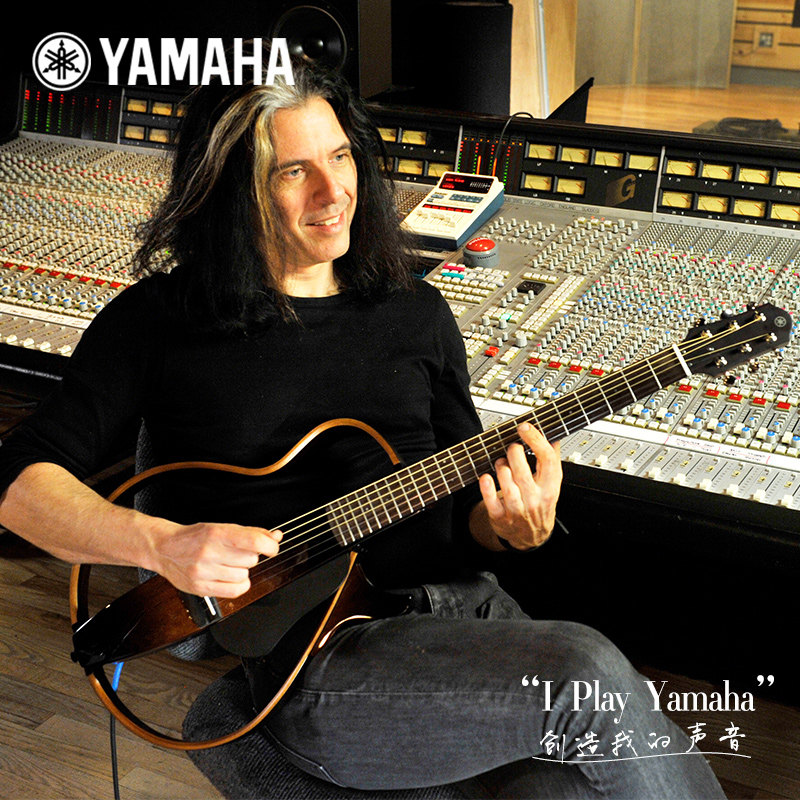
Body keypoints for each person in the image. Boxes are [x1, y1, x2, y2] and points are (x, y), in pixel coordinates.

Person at [0, 47, 727, 799]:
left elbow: (463, 511)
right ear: (233, 190)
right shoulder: (160, 322)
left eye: (341, 157)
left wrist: (507, 529)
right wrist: (160, 543)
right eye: (293, 171)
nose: (332, 191)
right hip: (326, 665)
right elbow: (16, 482)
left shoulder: (414, 311)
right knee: (583, 675)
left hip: (463, 622)